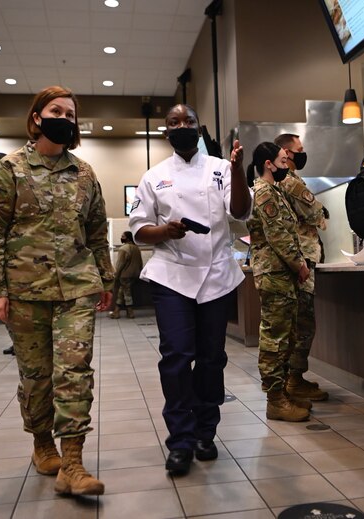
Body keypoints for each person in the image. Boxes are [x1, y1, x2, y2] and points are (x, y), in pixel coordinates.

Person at [0, 85, 114, 496]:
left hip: (76, 288)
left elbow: (96, 233)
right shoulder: (10, 169)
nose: (64, 119)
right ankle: (42, 444)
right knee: (37, 379)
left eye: (71, 114)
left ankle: (72, 463)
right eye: (57, 111)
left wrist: (105, 280)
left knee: (74, 372)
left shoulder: (85, 173)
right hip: (23, 292)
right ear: (37, 117)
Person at [129, 104, 251, 476]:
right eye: (174, 123)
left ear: (199, 128)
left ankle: (205, 433)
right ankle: (180, 440)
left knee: (212, 357)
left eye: (188, 122)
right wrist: (166, 230)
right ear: (165, 131)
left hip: (216, 273)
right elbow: (138, 228)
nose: (182, 126)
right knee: (177, 357)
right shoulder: (154, 176)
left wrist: (238, 169)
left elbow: (241, 212)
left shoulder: (219, 167)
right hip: (172, 275)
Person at [246, 142, 312, 423]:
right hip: (274, 274)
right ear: (269, 164)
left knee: (287, 336)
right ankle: (275, 401)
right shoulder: (263, 192)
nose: (288, 165)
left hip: (281, 274)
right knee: (275, 339)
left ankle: (284, 393)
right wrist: (299, 264)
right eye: (283, 161)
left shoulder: (275, 191)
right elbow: (278, 235)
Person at [273, 133, 329, 401]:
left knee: (293, 323)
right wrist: (321, 212)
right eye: (300, 149)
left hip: (295, 259)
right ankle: (294, 381)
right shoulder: (291, 181)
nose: (303, 152)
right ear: (287, 151)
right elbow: (315, 213)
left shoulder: (277, 180)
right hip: (302, 260)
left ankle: (290, 380)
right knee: (303, 323)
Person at [108, 230, 142, 319]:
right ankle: (117, 311)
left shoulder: (124, 248)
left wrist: (116, 274)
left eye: (123, 236)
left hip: (125, 274)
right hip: (135, 274)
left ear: (127, 237)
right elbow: (140, 262)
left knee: (127, 293)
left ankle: (130, 312)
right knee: (121, 292)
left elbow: (120, 263)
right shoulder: (136, 248)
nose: (121, 238)